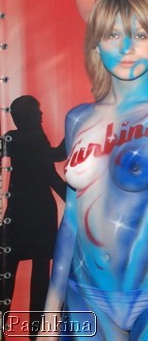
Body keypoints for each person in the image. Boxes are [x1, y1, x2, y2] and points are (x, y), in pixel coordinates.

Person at [42, 0, 148, 340]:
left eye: (140, 34)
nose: (127, 47)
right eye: (113, 34)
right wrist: (51, 311)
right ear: (96, 46)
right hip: (87, 292)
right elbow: (71, 219)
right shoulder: (78, 120)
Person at [2, 95, 66, 340]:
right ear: (28, 115)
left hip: (20, 214)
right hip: (38, 214)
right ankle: (35, 331)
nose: (41, 114)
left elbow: (52, 165)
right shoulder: (31, 139)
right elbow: (53, 166)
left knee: (9, 273)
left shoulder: (13, 138)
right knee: (39, 274)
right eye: (37, 110)